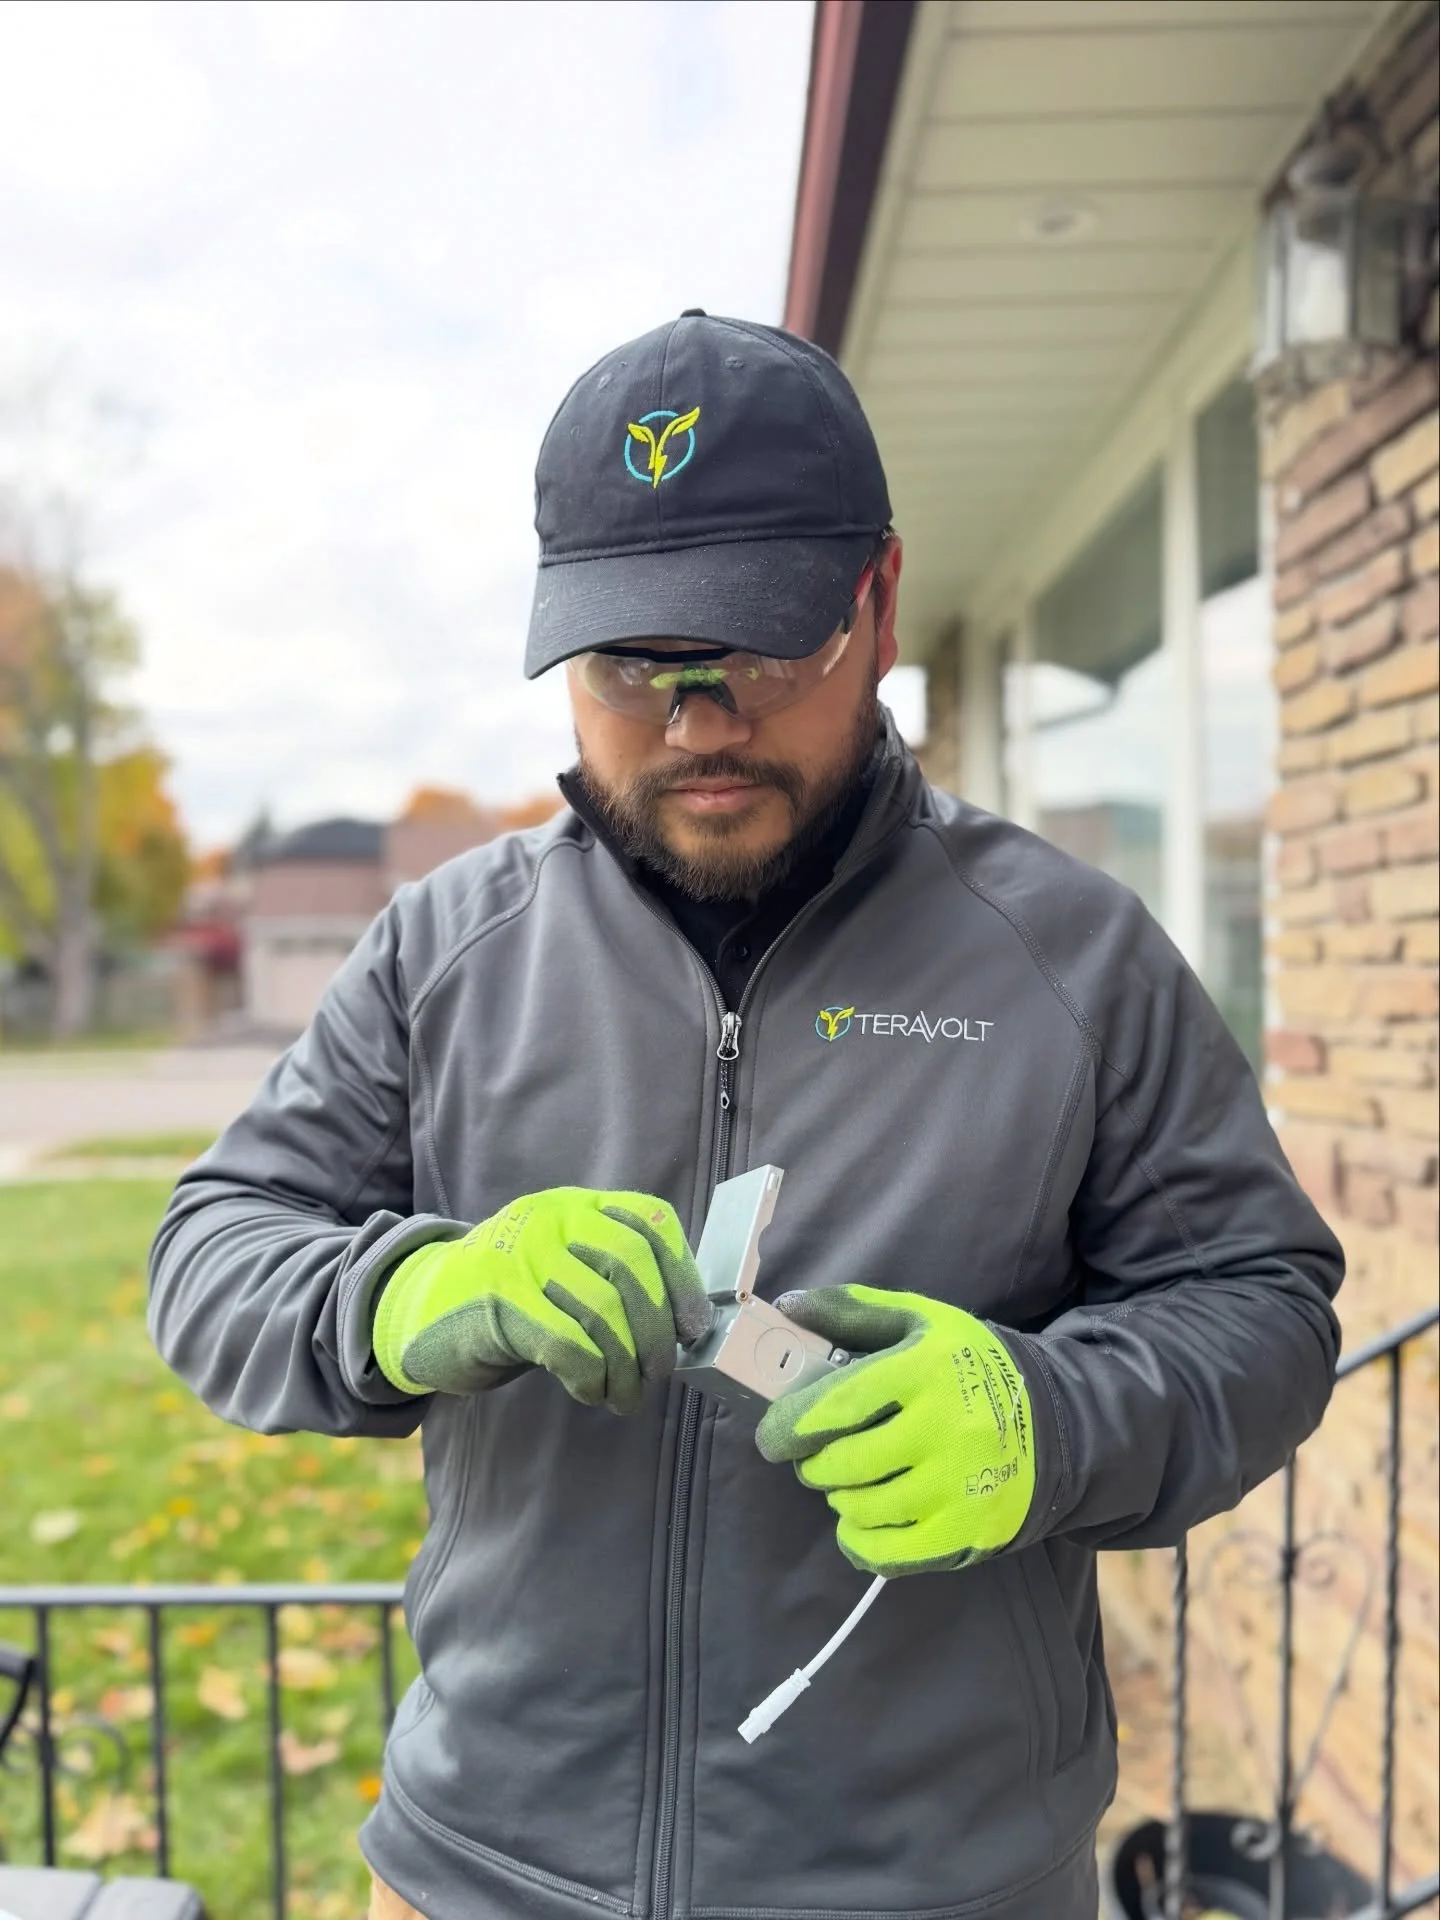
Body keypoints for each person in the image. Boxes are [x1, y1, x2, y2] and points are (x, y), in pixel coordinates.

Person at [149, 312, 1344, 1920]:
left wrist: (1053, 1421)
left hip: (940, 1886)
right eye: (635, 661)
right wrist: (407, 1294)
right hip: (484, 1874)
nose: (700, 719)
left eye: (765, 645)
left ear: (881, 600)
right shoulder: (445, 950)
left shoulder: (1070, 956)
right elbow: (213, 1252)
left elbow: (1262, 1308)